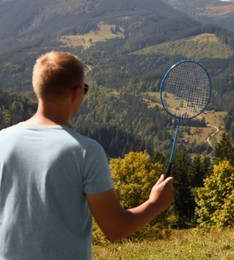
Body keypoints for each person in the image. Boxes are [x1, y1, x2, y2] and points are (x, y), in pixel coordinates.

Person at [0, 51, 174, 260]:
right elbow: (116, 228)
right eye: (85, 89)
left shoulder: (3, 140)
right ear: (75, 94)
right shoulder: (85, 151)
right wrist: (155, 204)